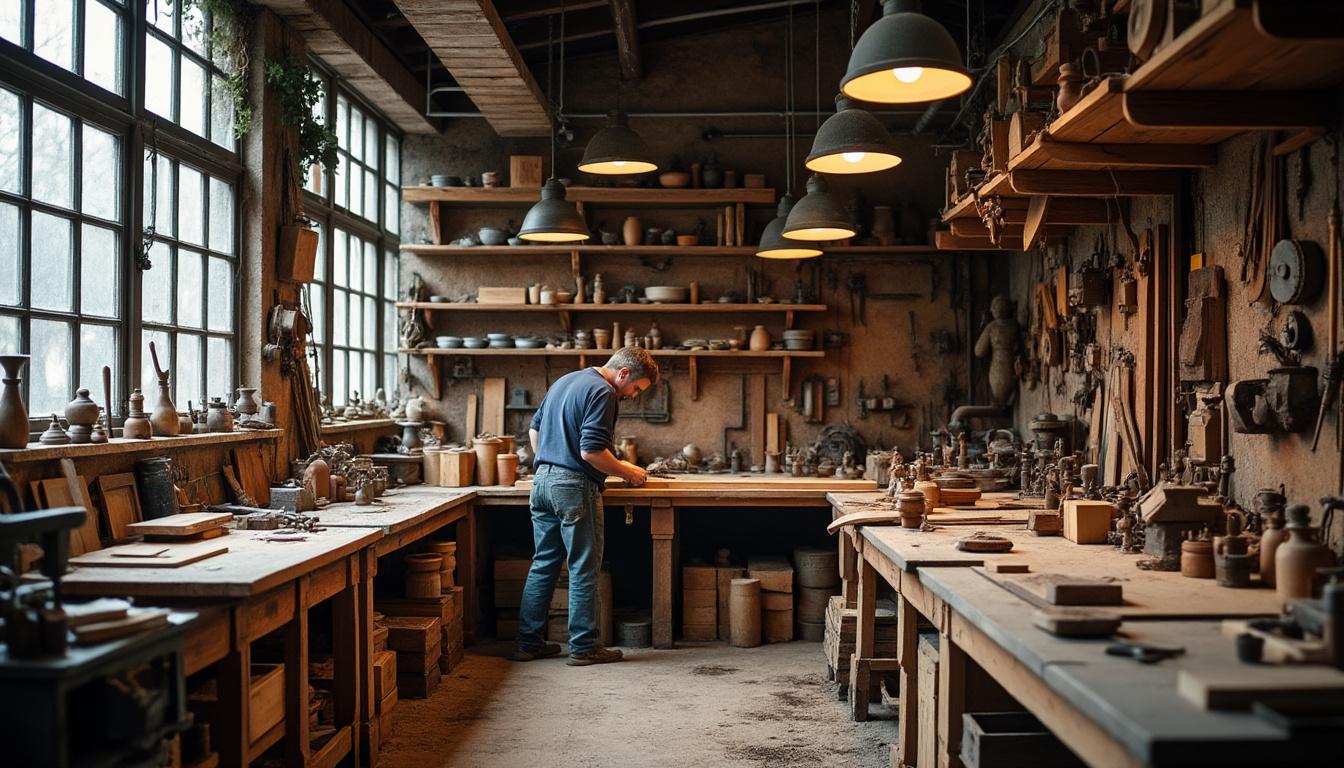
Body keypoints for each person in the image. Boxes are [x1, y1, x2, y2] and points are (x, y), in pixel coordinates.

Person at [511, 347, 659, 665]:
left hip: (543, 482)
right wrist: (628, 471)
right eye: (636, 388)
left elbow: (534, 430)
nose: (633, 395)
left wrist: (551, 458)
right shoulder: (603, 392)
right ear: (623, 373)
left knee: (543, 564)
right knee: (583, 568)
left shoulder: (567, 381)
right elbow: (591, 452)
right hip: (573, 486)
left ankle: (528, 643)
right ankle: (583, 647)